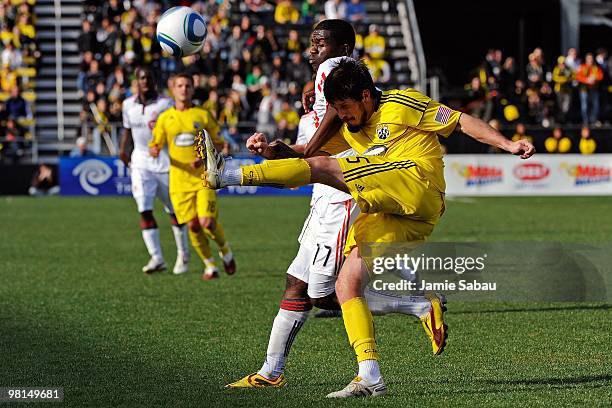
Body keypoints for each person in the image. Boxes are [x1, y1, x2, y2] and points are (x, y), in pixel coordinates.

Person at [201, 59, 534, 397]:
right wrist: (270, 150)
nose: (342, 116)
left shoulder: (403, 103)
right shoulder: (349, 129)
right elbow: (305, 155)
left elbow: (460, 121)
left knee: (328, 169)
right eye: (337, 110)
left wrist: (507, 144)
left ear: (365, 96)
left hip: (417, 184)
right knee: (347, 284)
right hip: (402, 216)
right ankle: (370, 376)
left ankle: (229, 174)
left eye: (345, 108)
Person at [225, 19, 443, 391]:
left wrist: (298, 148)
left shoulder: (334, 76)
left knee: (327, 292)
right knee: (297, 284)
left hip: (340, 198)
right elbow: (312, 148)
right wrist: (277, 148)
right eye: (311, 44)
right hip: (320, 198)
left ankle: (415, 308)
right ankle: (270, 372)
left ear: (342, 50)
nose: (313, 51)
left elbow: (322, 144)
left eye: (320, 44)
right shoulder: (329, 89)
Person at [149, 73, 236, 280]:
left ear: (192, 89)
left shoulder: (202, 115)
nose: (184, 89)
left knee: (206, 222)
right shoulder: (165, 118)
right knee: (193, 226)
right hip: (179, 181)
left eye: (187, 85)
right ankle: (210, 265)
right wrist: (153, 149)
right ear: (173, 89)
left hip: (204, 177)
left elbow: (220, 142)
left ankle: (226, 251)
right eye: (180, 85)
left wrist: (210, 152)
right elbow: (155, 144)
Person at [119, 67, 190, 275]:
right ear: (136, 82)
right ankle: (157, 257)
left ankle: (183, 254)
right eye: (142, 78)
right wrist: (123, 150)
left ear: (154, 81)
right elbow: (127, 130)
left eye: (149, 78)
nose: (145, 81)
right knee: (144, 208)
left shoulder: (165, 104)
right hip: (140, 162)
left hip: (166, 163)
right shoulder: (128, 105)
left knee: (175, 212)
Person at [576, 53, 603, 125]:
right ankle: (585, 121)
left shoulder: (596, 67)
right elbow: (578, 77)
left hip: (593, 89)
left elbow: (600, 76)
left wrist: (594, 78)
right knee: (584, 106)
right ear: (586, 59)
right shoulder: (582, 67)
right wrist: (587, 80)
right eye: (588, 58)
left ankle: (593, 120)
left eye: (591, 58)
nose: (590, 60)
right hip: (584, 90)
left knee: (595, 105)